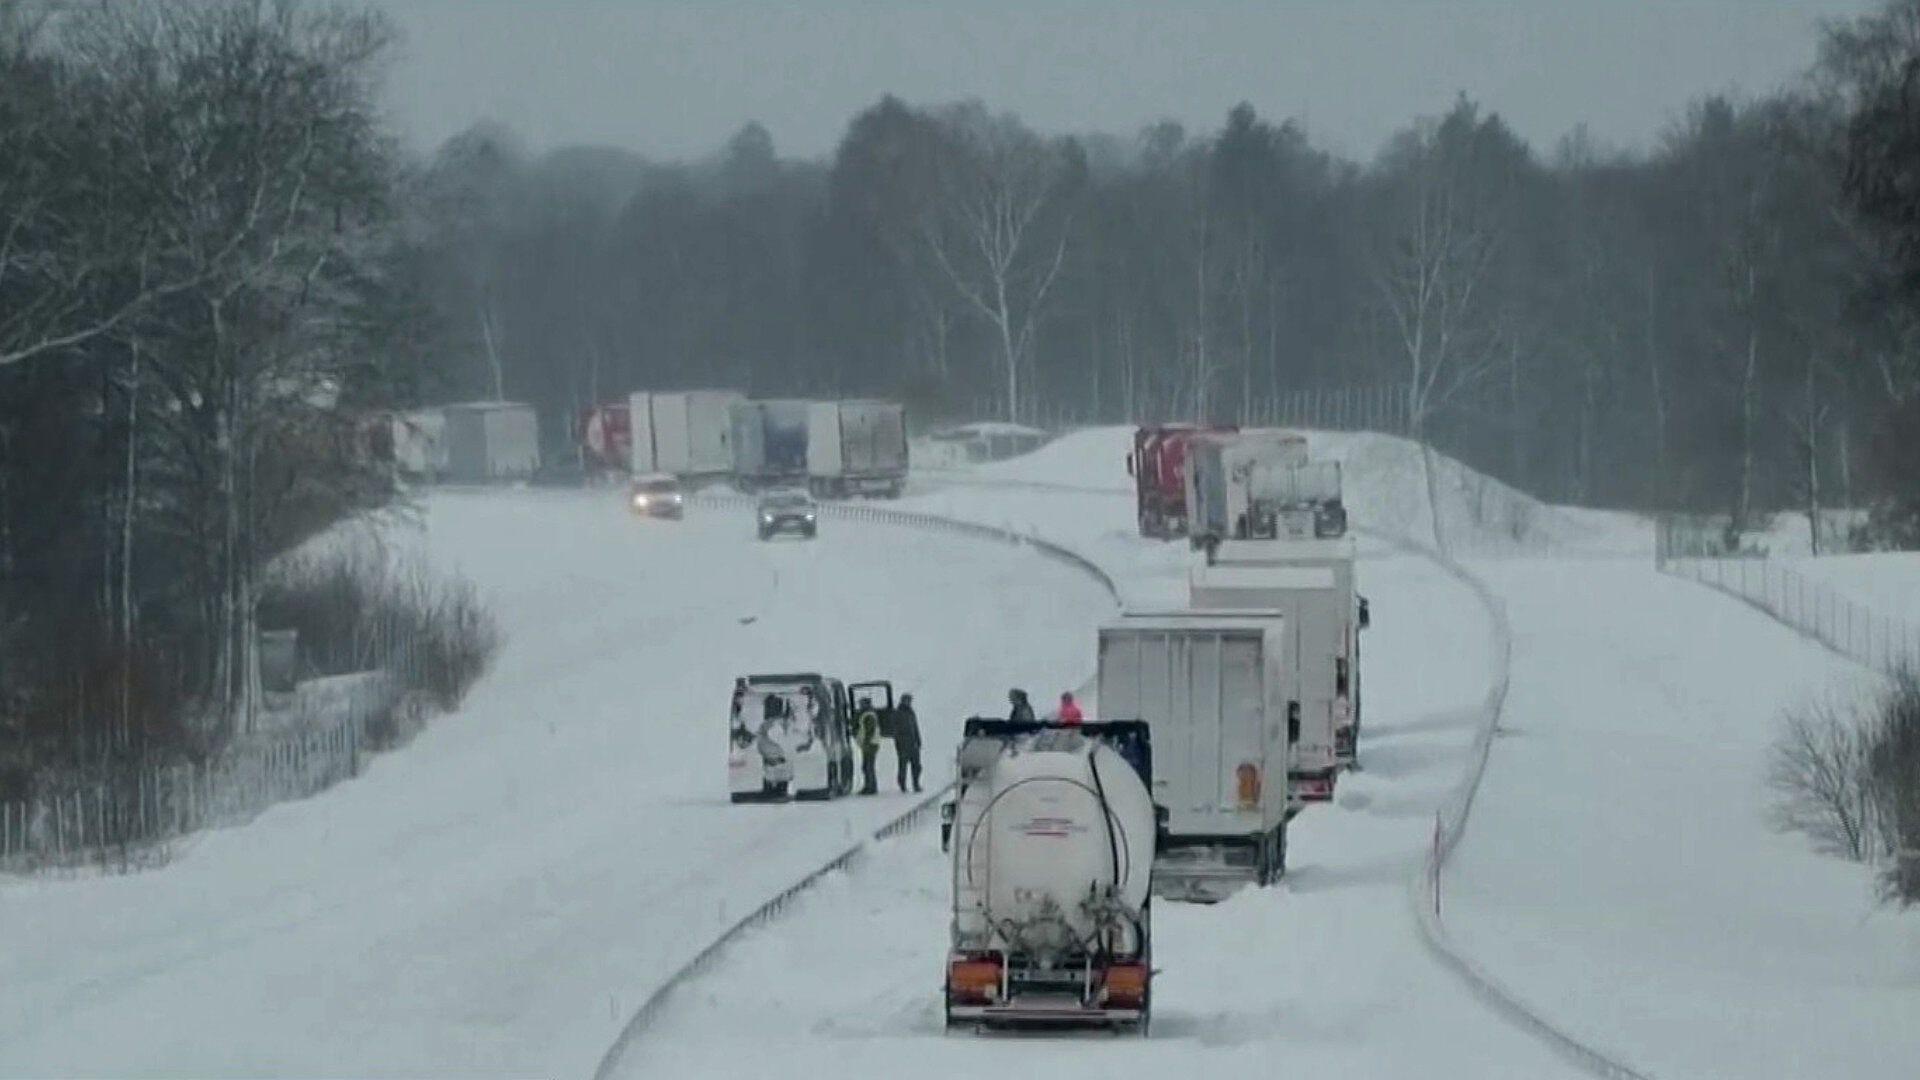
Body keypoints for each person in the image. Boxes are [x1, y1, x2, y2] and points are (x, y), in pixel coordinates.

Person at [892, 692, 922, 793]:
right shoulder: (898, 713)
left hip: (913, 744)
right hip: (903, 744)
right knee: (903, 766)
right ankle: (902, 785)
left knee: (916, 766)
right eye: (907, 700)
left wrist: (918, 740)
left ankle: (916, 784)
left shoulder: (911, 712)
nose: (909, 702)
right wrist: (898, 743)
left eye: (909, 701)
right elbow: (895, 730)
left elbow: (915, 727)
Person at [854, 696, 882, 795]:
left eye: (861, 703)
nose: (860, 705)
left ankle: (870, 787)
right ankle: (870, 786)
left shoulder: (868, 715)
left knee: (868, 766)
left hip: (870, 744)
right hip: (871, 743)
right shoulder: (868, 714)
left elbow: (869, 731)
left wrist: (865, 742)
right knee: (868, 766)